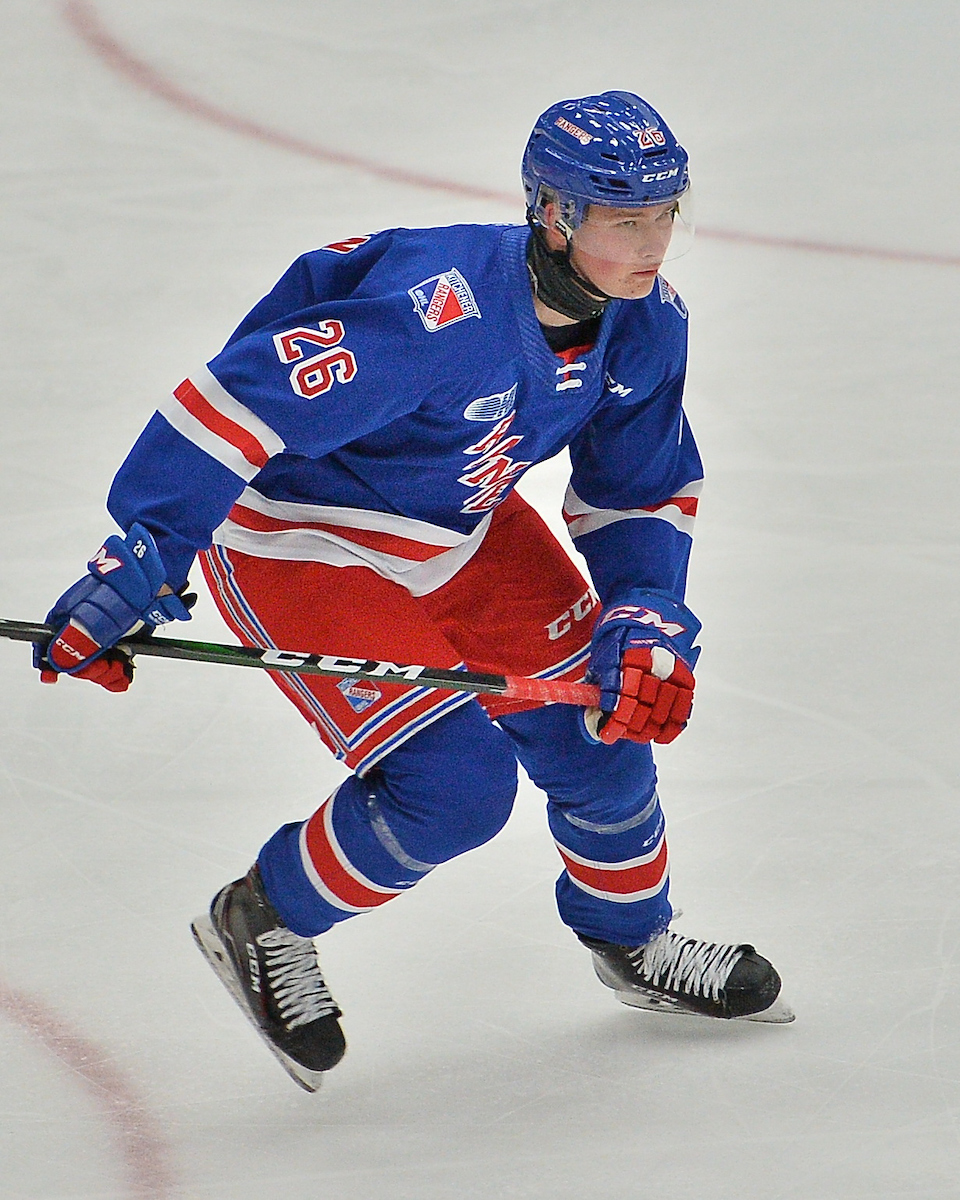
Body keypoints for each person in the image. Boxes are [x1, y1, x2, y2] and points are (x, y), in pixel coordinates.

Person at [35, 91, 791, 1093]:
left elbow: (639, 485)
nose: (653, 243)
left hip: (459, 519)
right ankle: (261, 917)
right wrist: (141, 555)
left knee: (606, 733)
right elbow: (232, 404)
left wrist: (646, 608)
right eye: (625, 219)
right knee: (454, 789)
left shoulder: (645, 326)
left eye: (664, 215)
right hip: (299, 536)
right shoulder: (436, 314)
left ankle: (635, 944)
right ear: (554, 215)